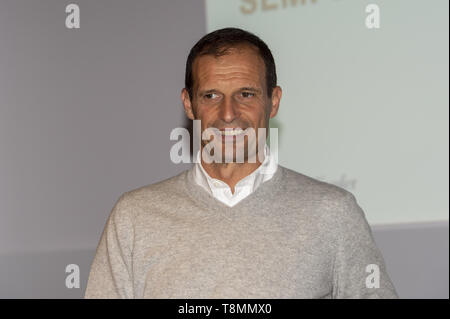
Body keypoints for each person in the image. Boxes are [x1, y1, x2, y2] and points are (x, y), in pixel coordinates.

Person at [84, 28, 398, 299]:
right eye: (211, 96)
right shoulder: (134, 217)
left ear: (273, 101)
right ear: (189, 104)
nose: (228, 113)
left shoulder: (334, 213)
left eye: (245, 94)